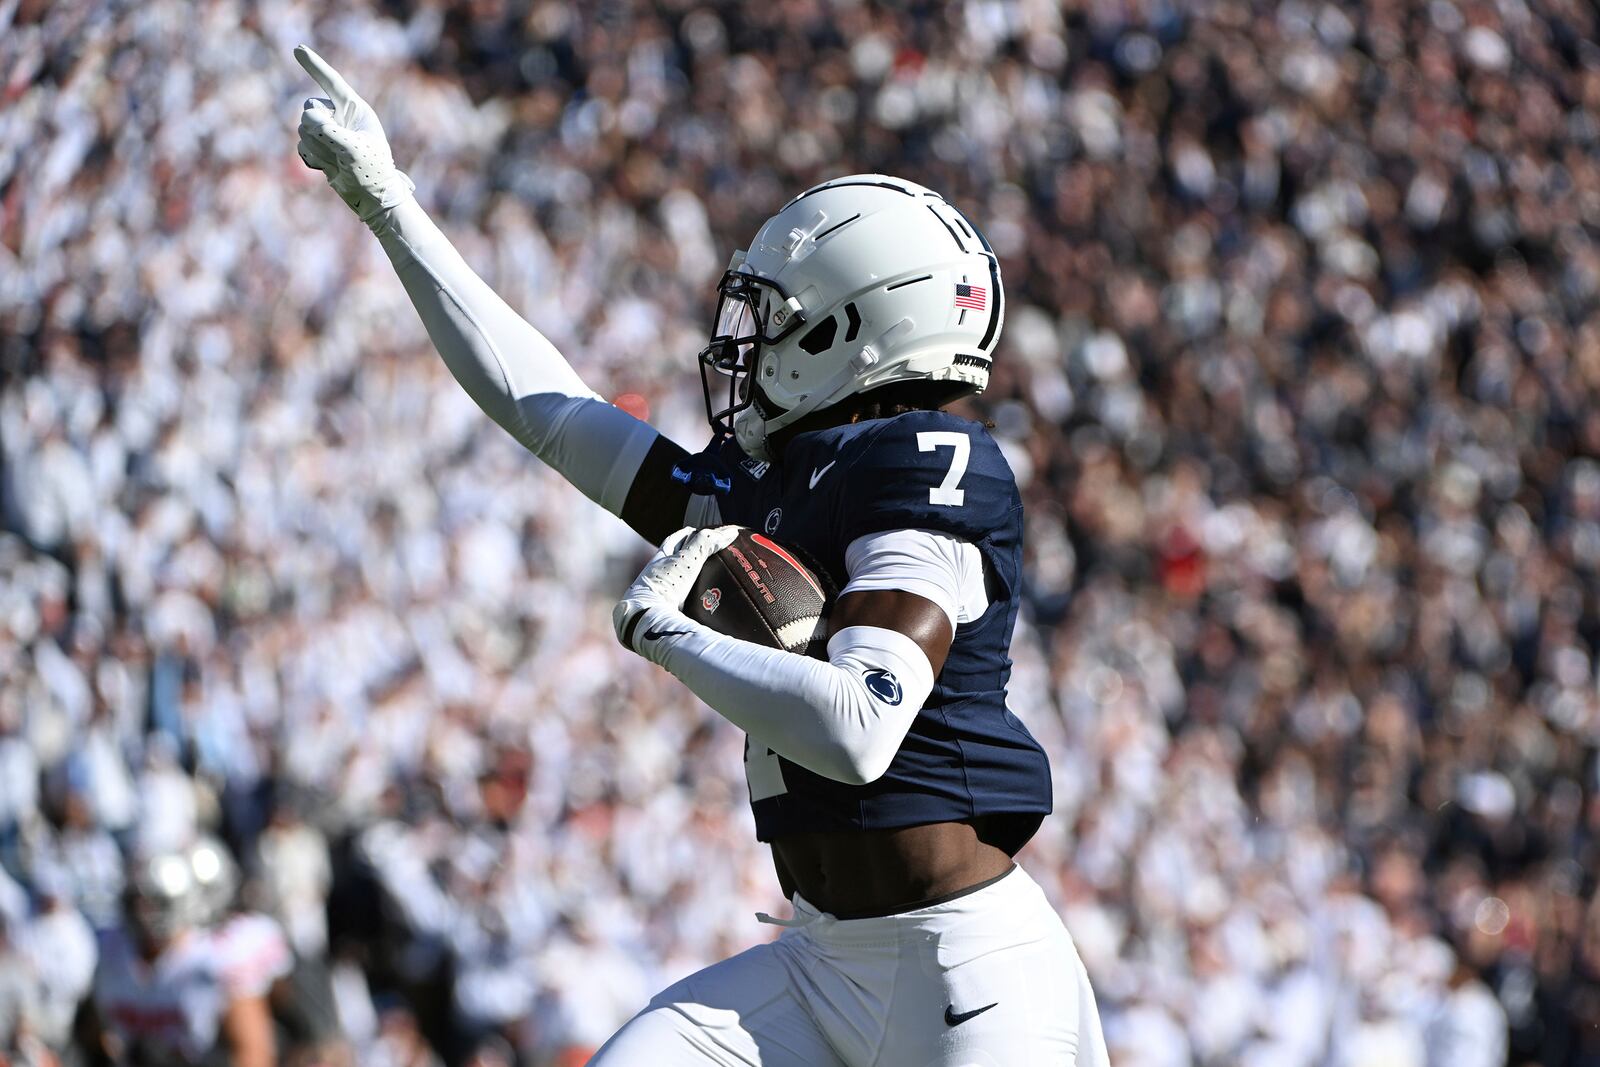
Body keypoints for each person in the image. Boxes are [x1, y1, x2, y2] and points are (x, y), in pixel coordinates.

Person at [291, 44, 1108, 1066]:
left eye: (774, 319)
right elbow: (548, 413)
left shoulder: (928, 458)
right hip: (818, 962)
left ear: (849, 331)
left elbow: (860, 728)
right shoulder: (773, 479)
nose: (746, 345)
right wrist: (386, 203)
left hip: (970, 977)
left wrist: (664, 634)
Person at [85, 848, 277, 1067]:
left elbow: (253, 1053)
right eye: (137, 902)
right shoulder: (109, 950)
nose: (144, 913)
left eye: (156, 903)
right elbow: (88, 1033)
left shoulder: (213, 959)